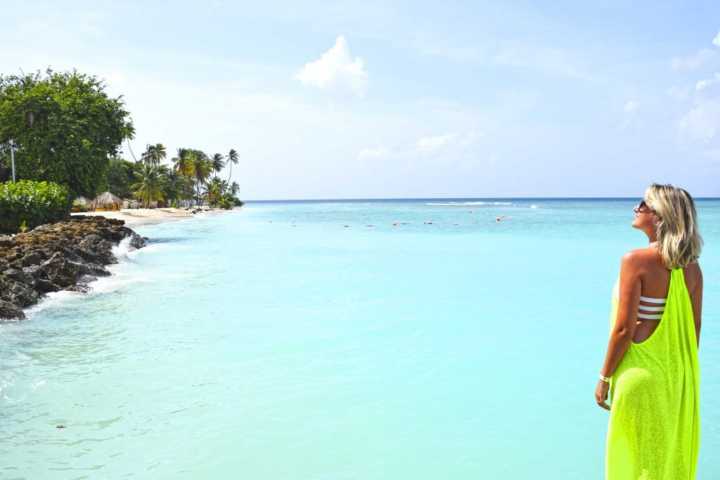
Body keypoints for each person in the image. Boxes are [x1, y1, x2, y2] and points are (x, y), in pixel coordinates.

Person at [597, 183, 704, 479]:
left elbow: (622, 329)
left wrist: (604, 377)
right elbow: (692, 332)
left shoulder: (635, 260)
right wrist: (680, 380)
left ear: (659, 215)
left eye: (643, 204)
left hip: (639, 374)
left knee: (634, 462)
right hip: (677, 378)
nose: (636, 208)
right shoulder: (692, 269)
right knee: (664, 459)